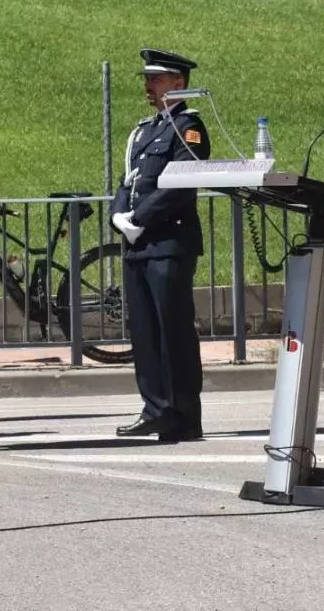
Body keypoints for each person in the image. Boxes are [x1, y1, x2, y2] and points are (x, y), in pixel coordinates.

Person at [109, 48, 210, 443]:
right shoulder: (144, 130)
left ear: (178, 83)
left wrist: (140, 218)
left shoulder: (189, 128)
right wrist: (119, 215)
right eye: (148, 79)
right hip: (138, 243)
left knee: (173, 331)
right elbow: (128, 180)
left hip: (169, 241)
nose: (149, 86)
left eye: (156, 79)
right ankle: (155, 408)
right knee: (145, 332)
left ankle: (183, 413)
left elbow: (180, 183)